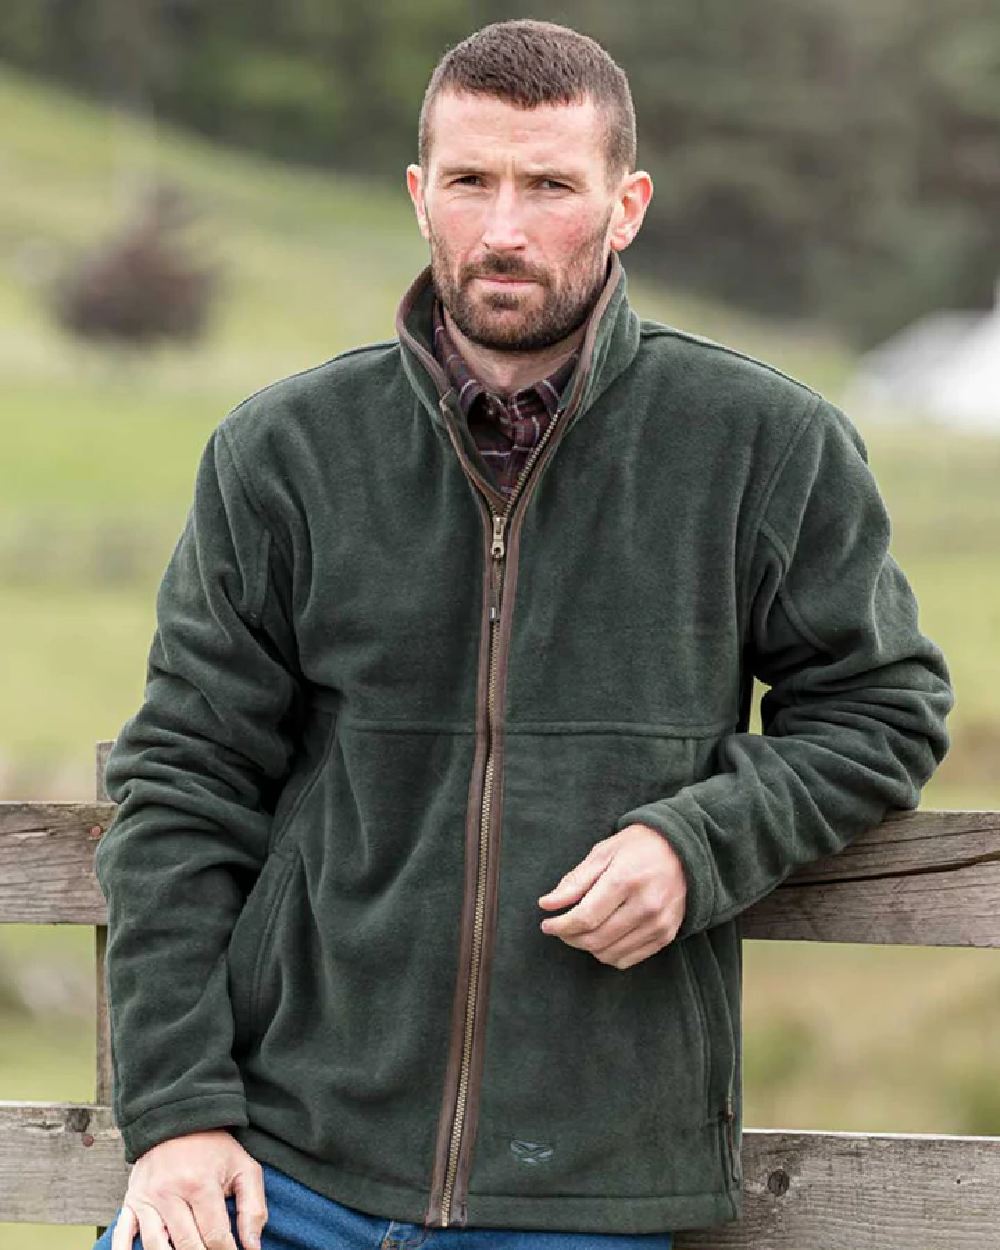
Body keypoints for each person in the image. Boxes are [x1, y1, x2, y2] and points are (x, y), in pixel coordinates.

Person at [92, 17, 954, 1250]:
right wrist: (176, 1114)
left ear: (626, 204)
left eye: (549, 184)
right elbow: (182, 780)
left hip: (586, 1182)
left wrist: (696, 840)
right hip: (277, 1163)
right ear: (417, 194)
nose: (503, 230)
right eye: (469, 182)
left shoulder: (762, 442)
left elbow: (881, 707)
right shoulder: (283, 452)